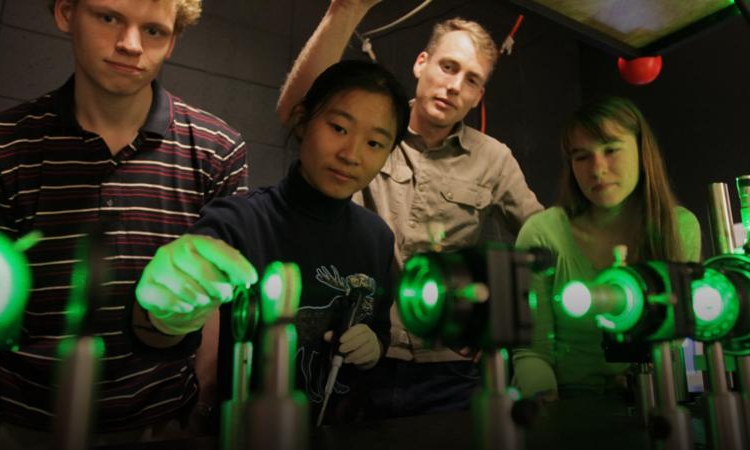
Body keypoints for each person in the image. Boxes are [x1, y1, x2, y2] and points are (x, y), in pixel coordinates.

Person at [0, 0, 248, 448]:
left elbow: (217, 300)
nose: (130, 45)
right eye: (109, 18)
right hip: (27, 424)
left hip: (167, 423)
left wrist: (204, 408)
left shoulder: (218, 151)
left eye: (153, 31)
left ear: (173, 42)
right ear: (66, 12)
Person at [275, 0, 543, 416]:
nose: (455, 86)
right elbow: (299, 113)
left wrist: (504, 320)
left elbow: (544, 239)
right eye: (449, 67)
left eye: (471, 80)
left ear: (478, 96)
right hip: (361, 353)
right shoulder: (374, 135)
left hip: (450, 370)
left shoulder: (495, 159)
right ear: (422, 63)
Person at [134, 59, 410, 424]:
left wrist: (375, 345)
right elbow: (160, 332)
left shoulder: (377, 238)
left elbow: (378, 324)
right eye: (339, 127)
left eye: (375, 142)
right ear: (302, 119)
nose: (352, 154)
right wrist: (166, 314)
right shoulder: (237, 222)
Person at [512, 96, 702, 401]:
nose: (597, 169)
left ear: (642, 151)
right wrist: (547, 412)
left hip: (655, 401)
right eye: (581, 156)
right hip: (569, 408)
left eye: (611, 149)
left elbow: (676, 342)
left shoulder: (680, 228)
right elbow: (533, 350)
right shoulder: (542, 233)